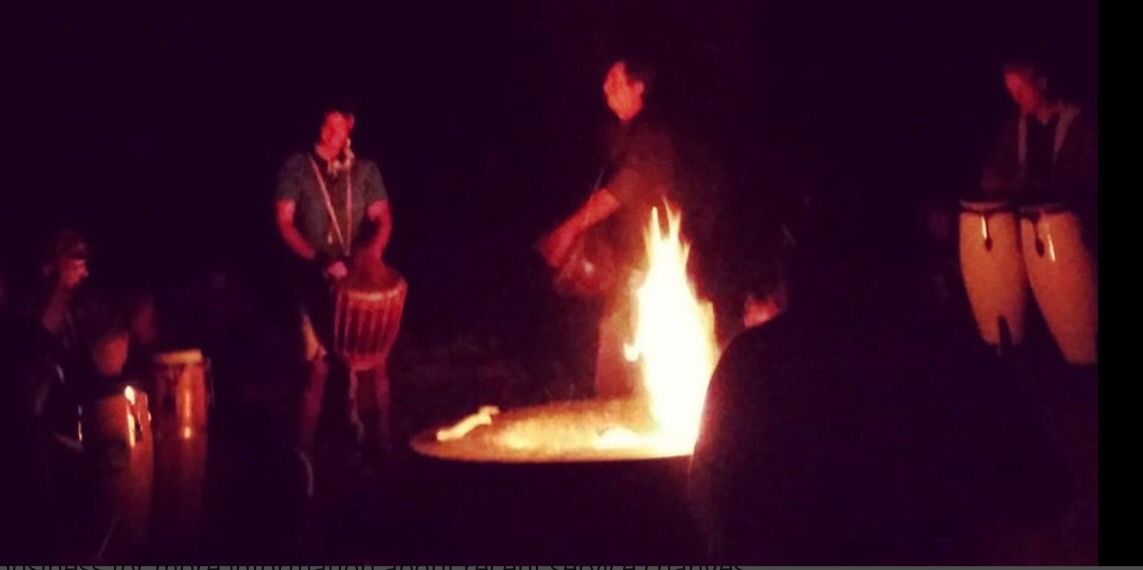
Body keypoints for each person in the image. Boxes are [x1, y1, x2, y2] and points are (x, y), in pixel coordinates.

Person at [537, 57, 679, 398]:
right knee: (616, 351)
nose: (605, 87)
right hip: (628, 265)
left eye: (615, 81)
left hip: (650, 265)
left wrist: (569, 229)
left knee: (627, 356)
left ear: (638, 87)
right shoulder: (620, 134)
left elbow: (623, 189)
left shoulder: (651, 133)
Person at [275, 103, 393, 456]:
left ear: (350, 126)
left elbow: (382, 219)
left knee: (374, 363)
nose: (331, 134)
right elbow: (283, 221)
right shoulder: (296, 167)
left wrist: (371, 255)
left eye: (339, 127)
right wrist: (319, 259)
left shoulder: (365, 170)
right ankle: (304, 458)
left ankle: (383, 451)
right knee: (318, 370)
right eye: (327, 126)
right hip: (313, 280)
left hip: (355, 281)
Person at [981, 60, 1097, 247]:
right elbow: (994, 172)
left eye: (1022, 89)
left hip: (1072, 231)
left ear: (1041, 83)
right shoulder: (1014, 129)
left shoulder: (1080, 125)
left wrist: (1038, 186)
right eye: (1011, 91)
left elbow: (1085, 179)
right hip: (1027, 232)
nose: (1016, 97)